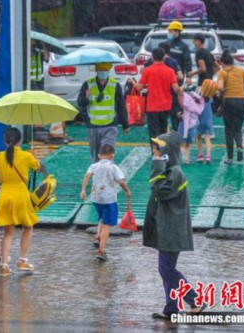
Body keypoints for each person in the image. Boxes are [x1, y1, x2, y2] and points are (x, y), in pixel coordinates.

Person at [143, 132, 206, 319]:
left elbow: (160, 191)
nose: (154, 152)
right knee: (166, 269)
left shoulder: (175, 173)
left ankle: (195, 300)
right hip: (168, 229)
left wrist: (156, 164)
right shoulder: (171, 171)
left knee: (167, 269)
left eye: (157, 148)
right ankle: (171, 308)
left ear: (166, 152)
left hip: (172, 230)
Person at [0, 128, 47, 277]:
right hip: (21, 195)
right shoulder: (25, 156)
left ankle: (4, 266)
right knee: (28, 227)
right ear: (19, 141)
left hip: (4, 196)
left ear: (5, 141)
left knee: (8, 233)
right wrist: (35, 157)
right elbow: (39, 168)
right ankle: (22, 260)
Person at [80, 144, 131, 261]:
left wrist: (83, 190)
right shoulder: (113, 167)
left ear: (99, 155)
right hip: (109, 200)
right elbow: (121, 182)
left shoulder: (94, 165)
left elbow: (87, 175)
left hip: (96, 198)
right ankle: (101, 251)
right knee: (107, 225)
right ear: (112, 155)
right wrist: (127, 191)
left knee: (102, 218)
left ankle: (98, 237)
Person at [128, 48, 183, 149]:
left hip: (152, 107)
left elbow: (139, 87)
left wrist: (132, 81)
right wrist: (182, 93)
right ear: (164, 57)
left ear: (152, 57)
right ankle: (163, 152)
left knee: (153, 132)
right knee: (163, 131)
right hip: (166, 106)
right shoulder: (170, 71)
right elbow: (176, 88)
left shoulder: (148, 71)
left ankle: (155, 153)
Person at [77, 62, 129, 163]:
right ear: (96, 70)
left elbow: (121, 105)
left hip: (110, 125)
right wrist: (86, 97)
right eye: (101, 70)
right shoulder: (88, 84)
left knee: (107, 155)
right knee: (96, 157)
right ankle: (98, 177)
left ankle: (108, 177)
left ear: (109, 71)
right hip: (93, 126)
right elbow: (81, 103)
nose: (103, 73)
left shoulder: (114, 85)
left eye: (105, 70)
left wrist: (125, 124)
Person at [217, 49, 244, 164]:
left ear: (222, 63)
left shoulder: (222, 72)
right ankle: (240, 147)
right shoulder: (241, 71)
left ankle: (230, 158)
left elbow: (220, 87)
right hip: (242, 101)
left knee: (228, 130)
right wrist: (240, 88)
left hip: (229, 102)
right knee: (238, 128)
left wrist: (220, 91)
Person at [144, 41, 184, 131]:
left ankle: (163, 137)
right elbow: (181, 76)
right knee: (173, 117)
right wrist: (171, 78)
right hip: (170, 93)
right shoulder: (173, 61)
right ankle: (174, 137)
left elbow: (142, 70)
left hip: (155, 96)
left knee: (157, 123)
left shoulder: (152, 61)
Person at [177, 87, 205, 164]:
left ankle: (184, 156)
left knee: (181, 143)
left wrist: (184, 87)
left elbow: (180, 91)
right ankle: (187, 158)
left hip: (184, 125)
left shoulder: (187, 103)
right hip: (193, 126)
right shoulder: (199, 107)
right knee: (188, 143)